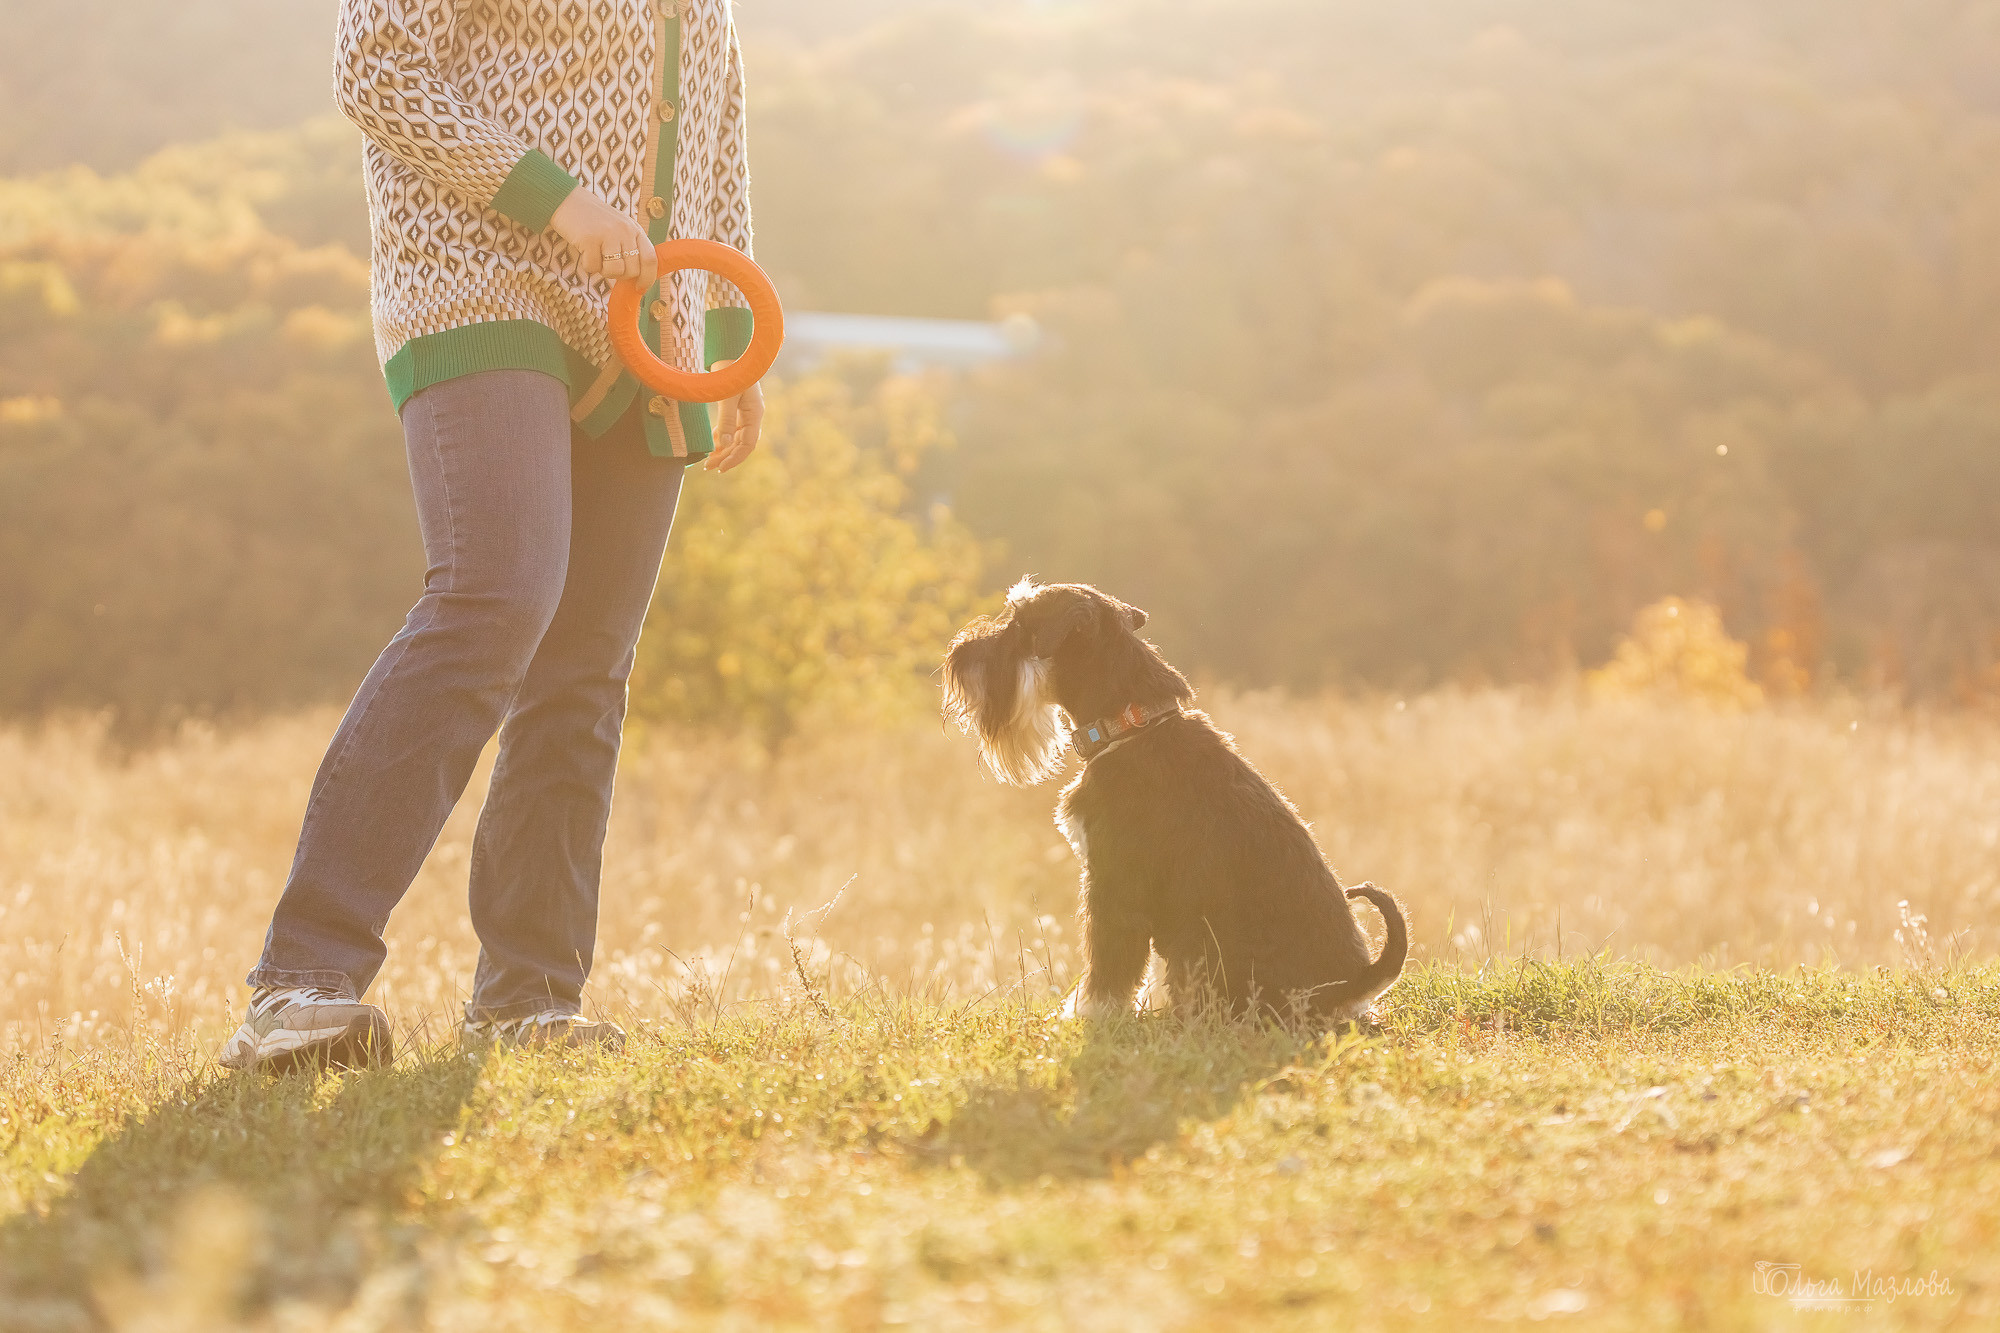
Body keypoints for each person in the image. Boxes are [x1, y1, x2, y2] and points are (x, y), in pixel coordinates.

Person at [221, 0, 765, 1071]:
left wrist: (729, 336)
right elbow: (379, 69)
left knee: (584, 668)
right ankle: (299, 985)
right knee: (495, 596)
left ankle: (528, 1001)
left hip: (648, 319)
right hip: (476, 276)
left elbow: (715, 121)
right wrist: (556, 204)